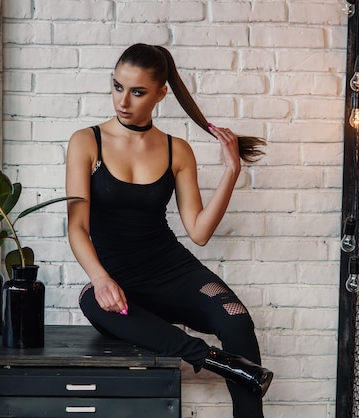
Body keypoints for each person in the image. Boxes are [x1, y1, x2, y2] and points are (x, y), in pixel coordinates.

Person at [65, 43, 272, 418]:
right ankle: (213, 359)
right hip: (118, 281)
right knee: (92, 300)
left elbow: (199, 232)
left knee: (237, 319)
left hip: (172, 270)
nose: (123, 101)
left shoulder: (177, 150)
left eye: (137, 91)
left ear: (161, 93)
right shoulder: (86, 141)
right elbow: (77, 226)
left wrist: (231, 171)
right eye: (117, 86)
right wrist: (100, 278)